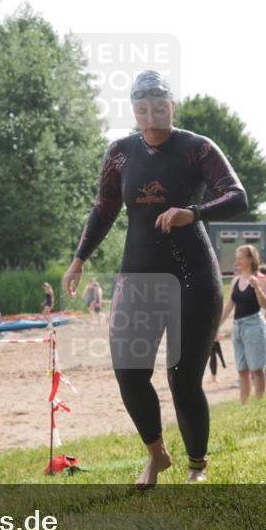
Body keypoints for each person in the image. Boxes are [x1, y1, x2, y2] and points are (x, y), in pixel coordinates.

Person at [60, 69, 247, 486]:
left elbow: (237, 196)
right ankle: (156, 454)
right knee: (129, 372)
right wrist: (79, 259)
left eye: (159, 105)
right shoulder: (120, 153)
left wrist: (193, 212)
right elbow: (104, 208)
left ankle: (196, 465)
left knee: (183, 380)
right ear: (134, 111)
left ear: (171, 106)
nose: (151, 114)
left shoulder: (197, 147)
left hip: (192, 276)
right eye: (142, 108)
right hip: (138, 277)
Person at [220, 246, 266, 403]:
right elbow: (230, 304)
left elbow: (265, 305)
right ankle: (244, 404)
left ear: (250, 259)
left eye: (240, 257)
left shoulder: (261, 280)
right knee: (242, 370)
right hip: (238, 327)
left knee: (257, 369)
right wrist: (217, 325)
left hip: (254, 326)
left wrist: (256, 288)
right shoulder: (236, 280)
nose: (237, 260)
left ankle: (260, 402)